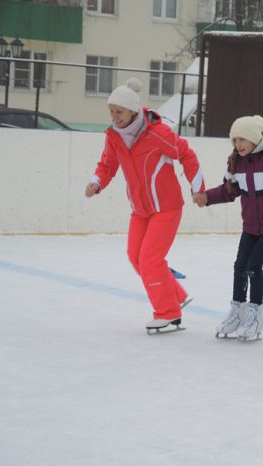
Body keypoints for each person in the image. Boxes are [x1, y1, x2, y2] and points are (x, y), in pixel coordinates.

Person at [85, 77, 206, 333]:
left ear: (132, 111)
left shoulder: (158, 134)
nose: (114, 116)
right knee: (135, 257)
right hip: (141, 209)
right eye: (111, 111)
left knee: (150, 259)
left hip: (167, 207)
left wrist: (198, 189)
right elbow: (107, 164)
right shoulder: (114, 136)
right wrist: (97, 181)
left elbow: (187, 154)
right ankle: (176, 296)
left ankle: (168, 313)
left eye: (118, 112)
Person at [194, 115, 263, 341]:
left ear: (255, 139)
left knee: (254, 265)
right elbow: (229, 191)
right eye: (235, 140)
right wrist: (206, 197)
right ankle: (237, 311)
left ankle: (255, 313)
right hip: (251, 223)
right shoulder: (236, 162)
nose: (238, 144)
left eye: (243, 139)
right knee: (240, 265)